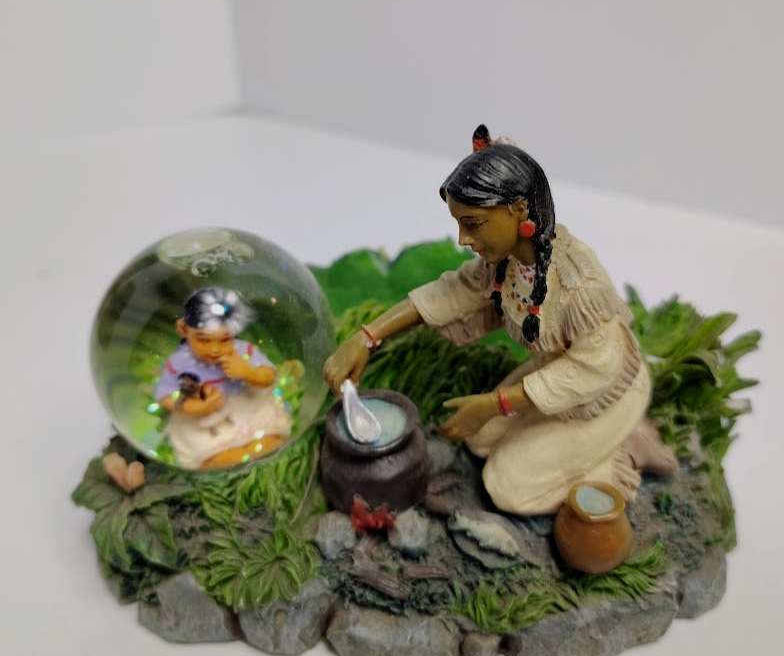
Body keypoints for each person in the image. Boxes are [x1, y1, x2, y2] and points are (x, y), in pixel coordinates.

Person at [323, 128, 676, 516]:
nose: (462, 239)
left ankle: (622, 451)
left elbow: (593, 369)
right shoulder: (504, 264)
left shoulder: (578, 283)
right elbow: (451, 293)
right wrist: (366, 337)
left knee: (506, 487)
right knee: (481, 440)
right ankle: (577, 445)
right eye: (459, 224)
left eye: (473, 224)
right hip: (553, 376)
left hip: (606, 393)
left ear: (519, 211)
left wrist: (495, 403)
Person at [155, 287, 291, 469]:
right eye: (203, 339)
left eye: (225, 339)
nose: (214, 349)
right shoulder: (180, 362)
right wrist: (197, 407)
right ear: (184, 329)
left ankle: (257, 452)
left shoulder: (243, 351)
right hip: (201, 418)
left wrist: (250, 373)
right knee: (215, 457)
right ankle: (228, 459)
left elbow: (269, 376)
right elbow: (166, 396)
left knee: (269, 439)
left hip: (245, 404)